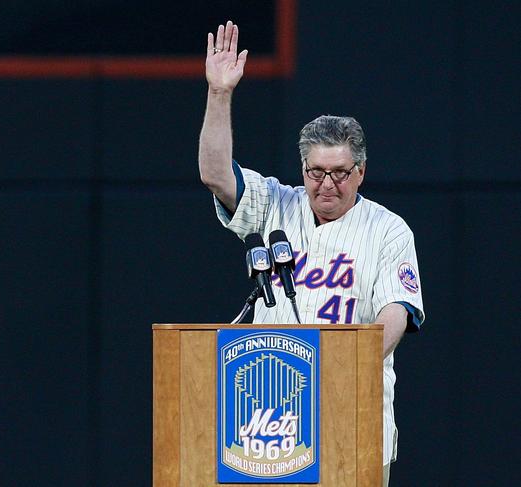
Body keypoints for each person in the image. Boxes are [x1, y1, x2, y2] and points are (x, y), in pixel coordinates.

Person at [198, 21, 425, 486]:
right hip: (268, 422)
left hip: (353, 416)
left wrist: (335, 369)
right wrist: (219, 94)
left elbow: (397, 314)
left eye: (340, 173)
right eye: (316, 172)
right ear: (303, 169)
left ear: (361, 172)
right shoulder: (277, 203)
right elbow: (216, 176)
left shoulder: (388, 229)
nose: (327, 184)